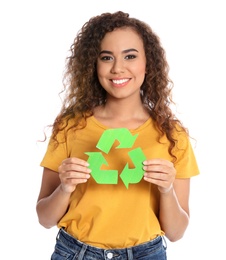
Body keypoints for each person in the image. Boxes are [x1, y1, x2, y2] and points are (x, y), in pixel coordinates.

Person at [36, 11, 199, 260]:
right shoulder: (70, 127)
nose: (118, 68)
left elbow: (176, 233)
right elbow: (45, 218)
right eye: (106, 57)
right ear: (94, 64)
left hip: (147, 254)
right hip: (75, 252)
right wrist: (65, 188)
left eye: (130, 56)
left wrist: (167, 190)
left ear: (148, 63)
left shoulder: (172, 134)